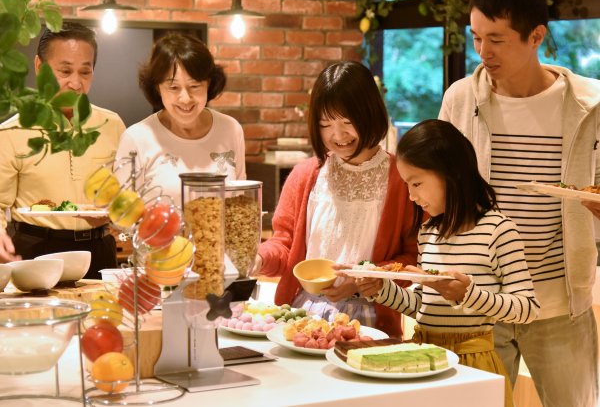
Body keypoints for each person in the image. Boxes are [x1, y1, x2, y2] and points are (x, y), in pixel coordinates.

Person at [438, 0, 600, 407]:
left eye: (497, 39)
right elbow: (442, 189)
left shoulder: (590, 106)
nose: (483, 52)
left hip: (559, 302)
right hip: (482, 298)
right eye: (475, 38)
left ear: (536, 36)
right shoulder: (460, 99)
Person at [354, 119, 539, 407]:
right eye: (407, 185)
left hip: (474, 362)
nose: (412, 196)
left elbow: (527, 308)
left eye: (416, 183)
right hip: (423, 355)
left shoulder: (498, 230)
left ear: (452, 174)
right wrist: (381, 288)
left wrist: (468, 295)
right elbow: (421, 306)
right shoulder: (428, 232)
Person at [250, 61, 418, 338]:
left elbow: (412, 259)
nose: (337, 136)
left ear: (370, 114)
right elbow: (284, 245)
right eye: (326, 124)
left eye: (347, 123)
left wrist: (365, 279)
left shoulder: (401, 179)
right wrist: (258, 258)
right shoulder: (306, 175)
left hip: (370, 323)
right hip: (302, 319)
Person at [0, 22, 125, 277]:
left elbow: (126, 192)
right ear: (39, 67)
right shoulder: (12, 131)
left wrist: (115, 212)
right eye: (65, 71)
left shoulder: (112, 125)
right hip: (36, 249)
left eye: (85, 72)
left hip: (99, 249)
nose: (76, 83)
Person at [114, 32, 245, 205]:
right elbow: (123, 218)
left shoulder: (230, 129)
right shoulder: (136, 138)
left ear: (209, 84)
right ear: (157, 88)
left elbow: (240, 202)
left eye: (194, 86)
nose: (185, 98)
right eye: (174, 87)